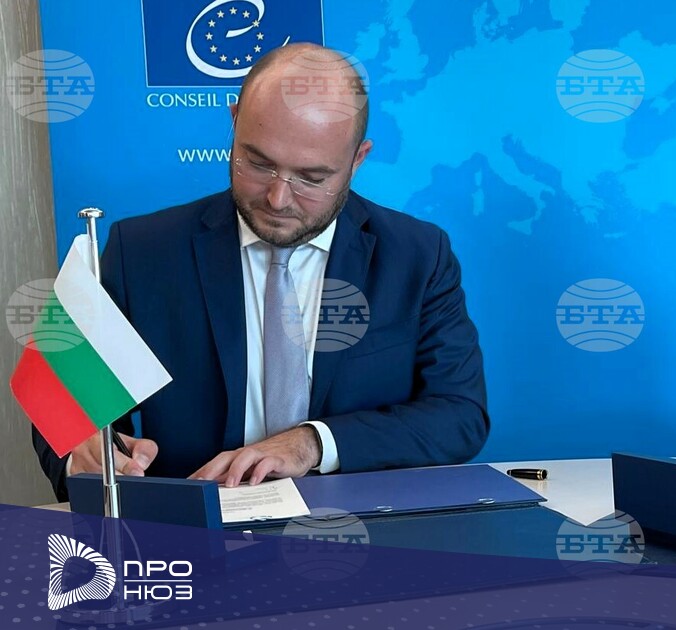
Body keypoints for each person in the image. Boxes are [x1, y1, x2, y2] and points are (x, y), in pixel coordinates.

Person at [33, 44, 488, 500]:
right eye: (259, 163)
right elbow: (64, 404)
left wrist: (313, 443)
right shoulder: (141, 251)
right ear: (234, 123)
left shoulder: (418, 255)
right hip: (192, 529)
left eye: (311, 178)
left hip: (364, 527)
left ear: (357, 160)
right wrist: (88, 453)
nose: (278, 198)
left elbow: (460, 414)